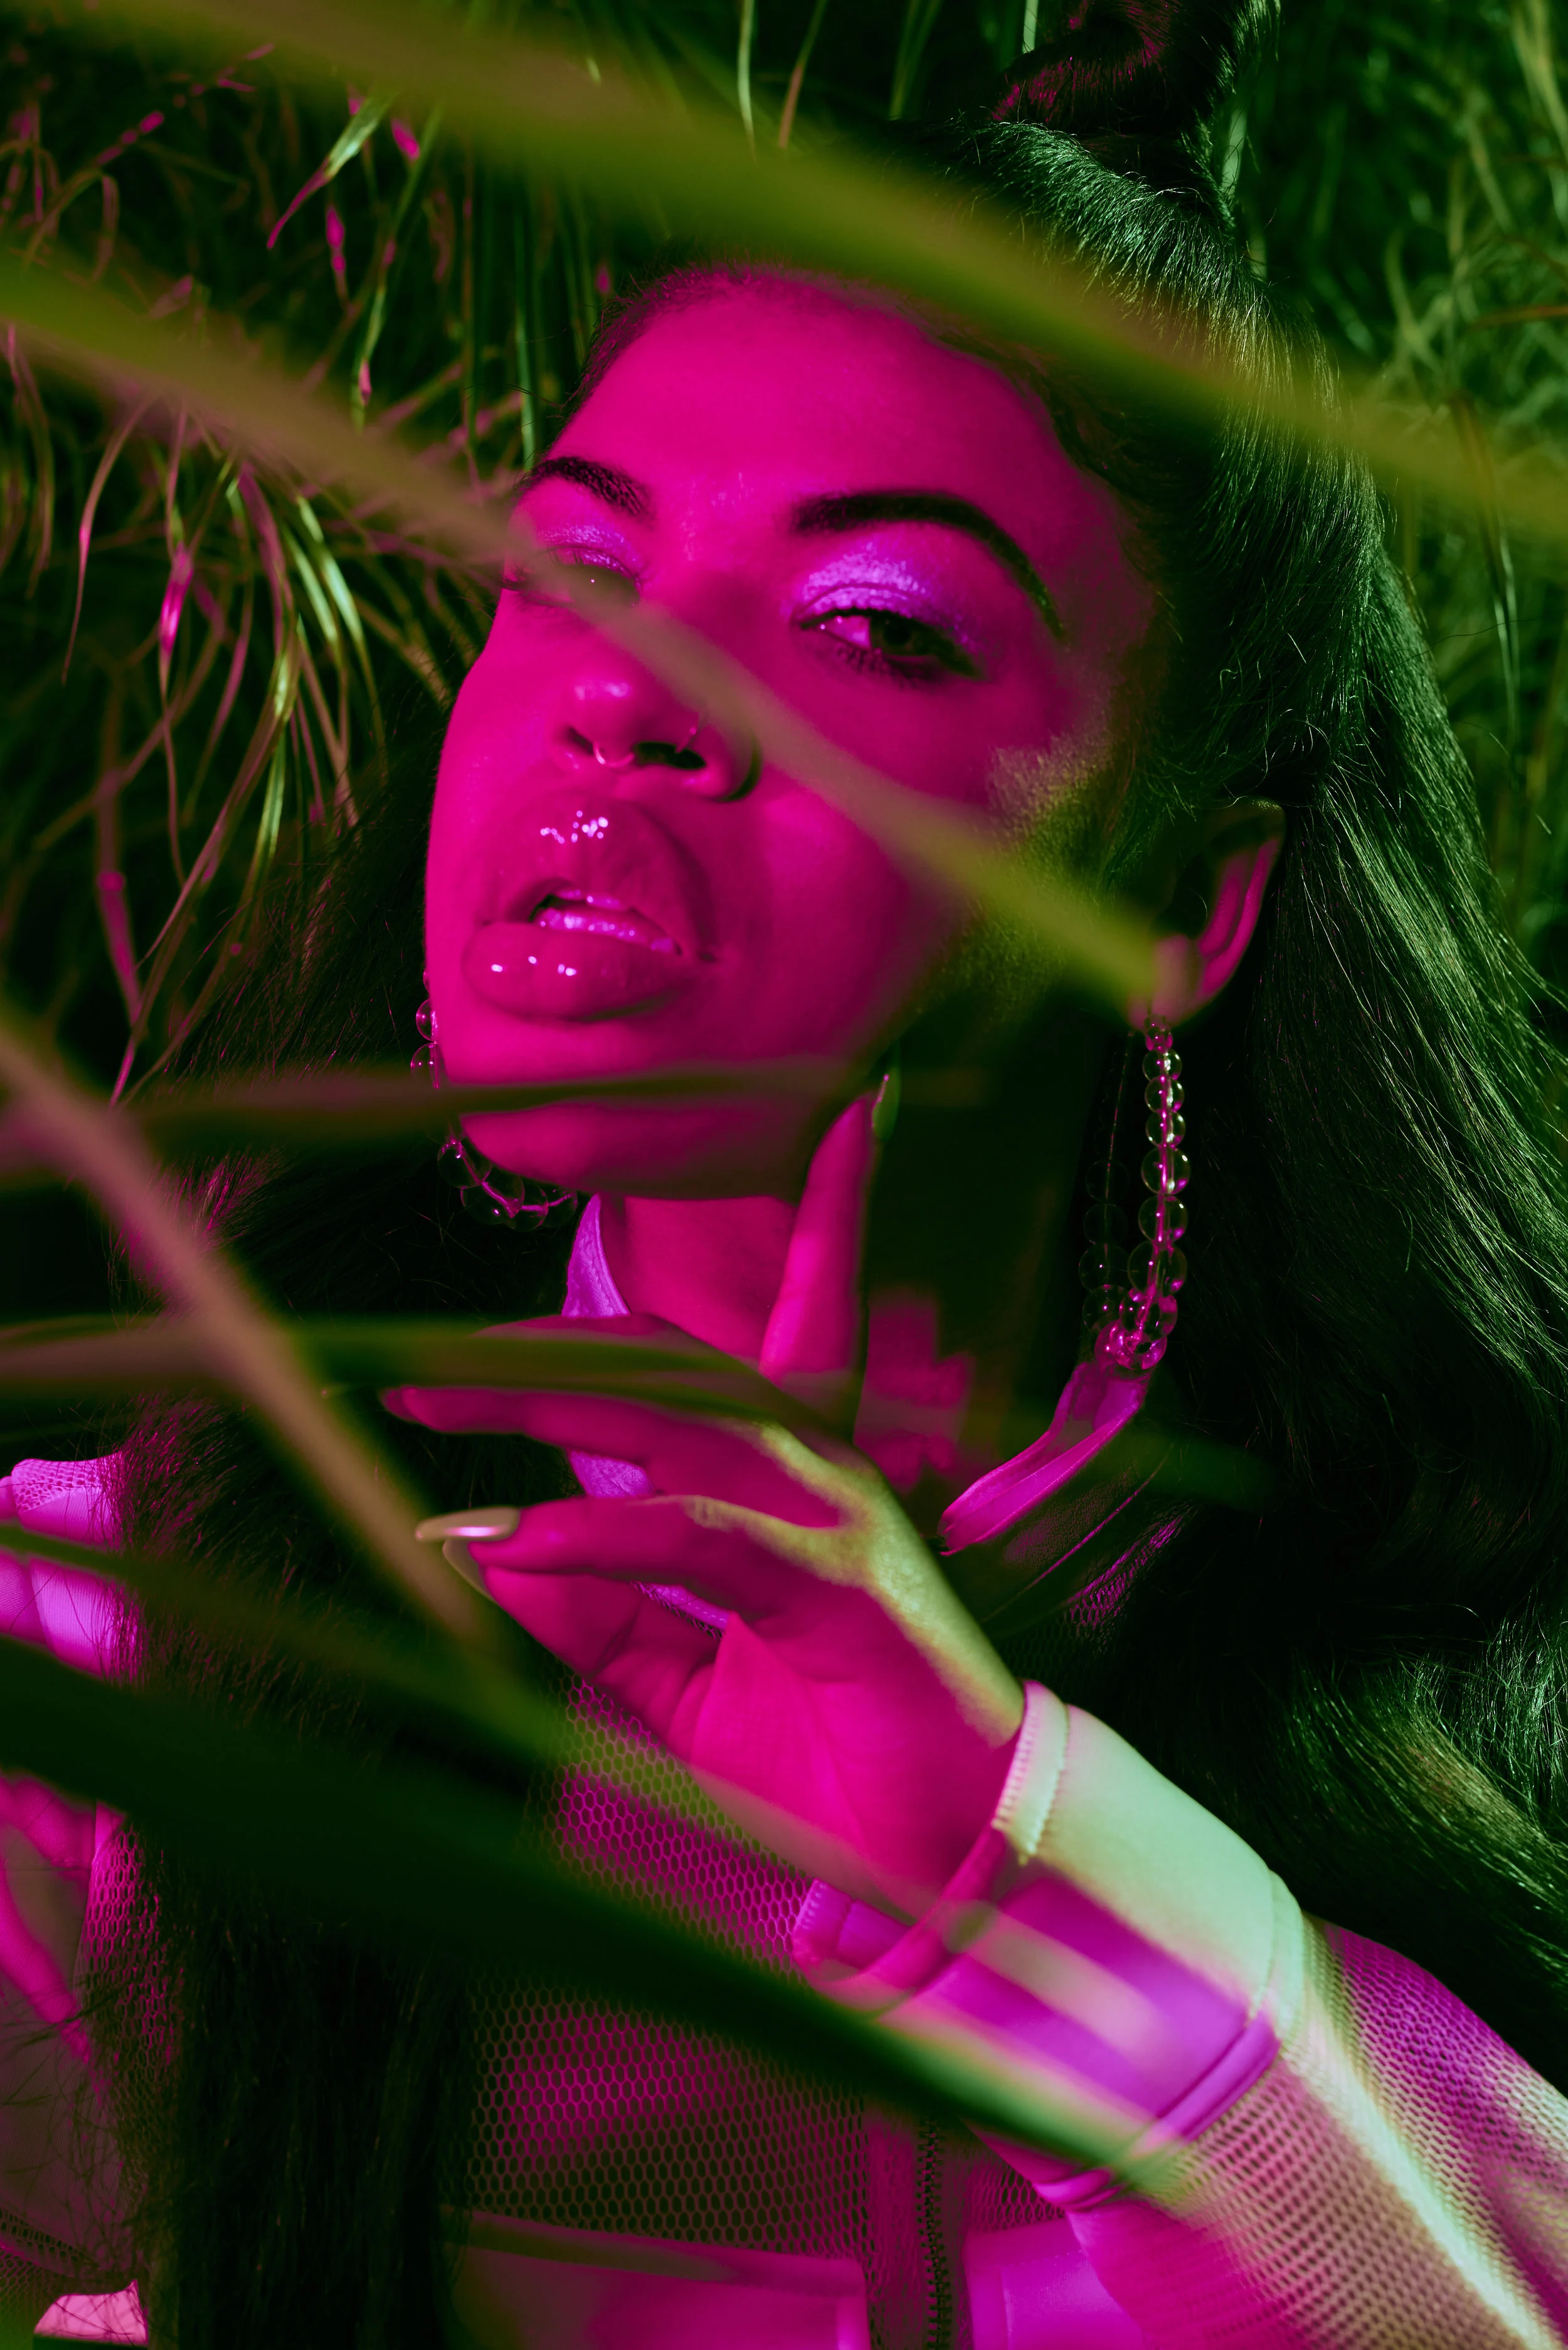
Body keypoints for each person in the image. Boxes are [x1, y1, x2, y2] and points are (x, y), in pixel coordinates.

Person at [7, 0, 1568, 2341]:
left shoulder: (1491, 1674)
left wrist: (1016, 1876)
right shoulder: (146, 1640)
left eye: (874, 626)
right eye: (566, 565)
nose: (628, 690)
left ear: (1182, 906)